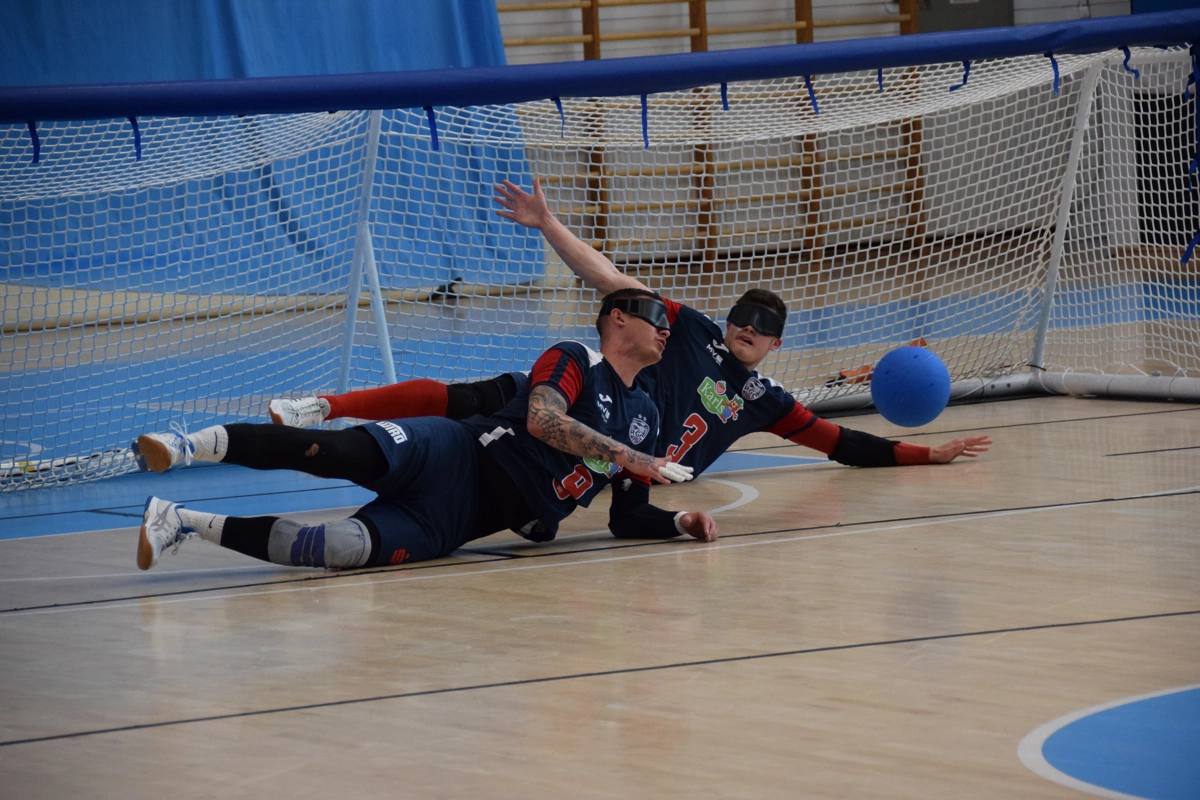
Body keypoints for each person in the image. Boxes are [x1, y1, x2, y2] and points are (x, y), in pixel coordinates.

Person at [268, 177, 991, 482]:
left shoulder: (765, 401)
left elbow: (843, 445)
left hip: (615, 470)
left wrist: (926, 454)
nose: (748, 328)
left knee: (458, 458)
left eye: (764, 327)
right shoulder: (694, 331)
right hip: (587, 407)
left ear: (778, 344)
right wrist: (548, 223)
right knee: (471, 398)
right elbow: (611, 279)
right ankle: (326, 407)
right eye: (743, 316)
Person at [130, 288, 715, 573]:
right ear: (618, 318)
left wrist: (680, 522)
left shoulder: (647, 417)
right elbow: (542, 420)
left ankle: (181, 521)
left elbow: (627, 517)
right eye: (655, 318)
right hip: (452, 453)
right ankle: (185, 446)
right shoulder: (575, 357)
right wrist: (628, 456)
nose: (666, 330)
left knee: (341, 550)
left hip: (460, 519)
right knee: (333, 452)